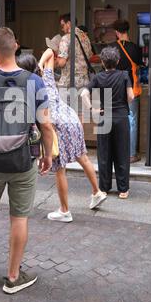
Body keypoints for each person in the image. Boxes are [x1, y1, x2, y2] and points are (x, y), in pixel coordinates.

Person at [0, 27, 53, 294]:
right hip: (22, 160)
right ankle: (13, 277)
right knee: (19, 217)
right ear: (15, 46)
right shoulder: (35, 81)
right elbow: (46, 125)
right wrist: (48, 155)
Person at [18, 49, 107, 223]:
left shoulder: (29, 88)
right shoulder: (46, 77)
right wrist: (41, 63)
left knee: (59, 169)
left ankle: (65, 211)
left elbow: (42, 121)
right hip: (72, 119)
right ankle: (97, 192)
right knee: (83, 157)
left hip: (58, 126)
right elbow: (50, 52)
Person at [82, 47, 134, 199]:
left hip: (104, 118)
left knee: (104, 154)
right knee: (122, 153)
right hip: (121, 117)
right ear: (117, 61)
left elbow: (84, 93)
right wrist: (123, 103)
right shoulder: (124, 75)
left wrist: (92, 109)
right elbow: (130, 96)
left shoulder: (98, 77)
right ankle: (123, 189)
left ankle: (104, 188)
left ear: (103, 63)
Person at [111, 19, 143, 163]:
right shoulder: (135, 48)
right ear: (127, 30)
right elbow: (140, 65)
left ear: (117, 32)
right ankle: (131, 155)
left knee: (115, 120)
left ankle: (115, 153)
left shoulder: (112, 48)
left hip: (115, 90)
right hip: (132, 90)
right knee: (131, 121)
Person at [57, 13, 93, 89]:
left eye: (62, 25)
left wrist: (56, 58)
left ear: (69, 24)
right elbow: (90, 56)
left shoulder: (66, 38)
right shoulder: (85, 37)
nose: (62, 29)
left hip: (70, 82)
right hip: (85, 81)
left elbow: (61, 63)